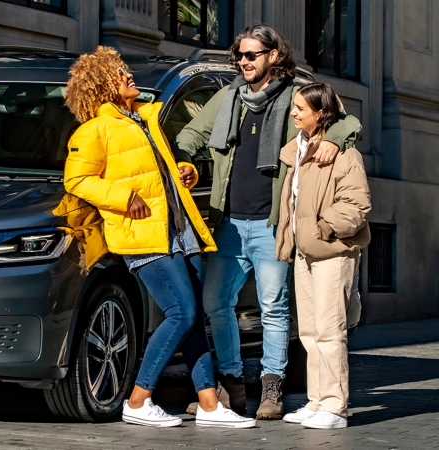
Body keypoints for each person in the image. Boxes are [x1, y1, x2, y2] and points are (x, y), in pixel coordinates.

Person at [175, 25, 362, 420]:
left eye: (252, 55)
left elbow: (345, 122)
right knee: (215, 302)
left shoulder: (297, 95)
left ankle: (272, 387)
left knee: (273, 307)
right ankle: (231, 383)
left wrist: (333, 139)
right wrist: (185, 160)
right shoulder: (229, 97)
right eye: (239, 55)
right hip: (227, 221)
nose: (243, 62)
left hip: (271, 224)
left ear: (273, 55)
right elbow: (192, 132)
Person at [63, 46, 256, 429]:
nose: (128, 75)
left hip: (180, 232)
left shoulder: (144, 121)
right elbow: (77, 179)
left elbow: (163, 175)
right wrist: (123, 198)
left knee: (193, 316)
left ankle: (209, 405)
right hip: (143, 237)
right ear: (102, 85)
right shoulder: (95, 130)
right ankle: (138, 399)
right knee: (180, 312)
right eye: (119, 72)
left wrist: (187, 172)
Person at [275, 83, 371, 429]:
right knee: (311, 332)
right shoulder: (297, 151)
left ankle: (335, 406)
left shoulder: (344, 154)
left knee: (330, 331)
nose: (294, 112)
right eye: (294, 106)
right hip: (304, 253)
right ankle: (317, 402)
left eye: (301, 108)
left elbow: (357, 206)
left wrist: (322, 229)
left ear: (321, 113)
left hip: (332, 252)